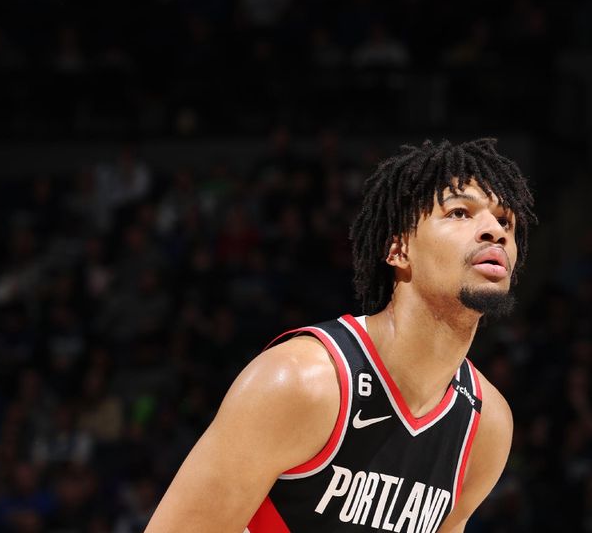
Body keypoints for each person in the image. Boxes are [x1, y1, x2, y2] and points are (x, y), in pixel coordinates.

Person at [146, 138, 537, 532]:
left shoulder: (487, 426)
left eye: (505, 221)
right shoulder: (300, 382)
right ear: (398, 249)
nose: (494, 231)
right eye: (459, 212)